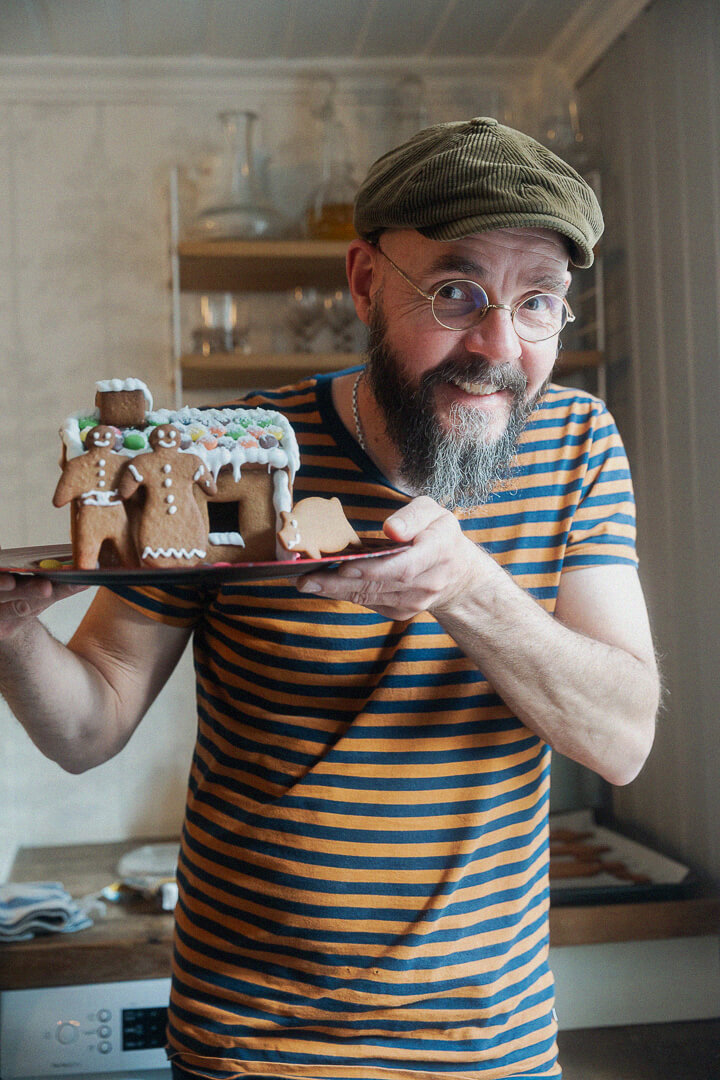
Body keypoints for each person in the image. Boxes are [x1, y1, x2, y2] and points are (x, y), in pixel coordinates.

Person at [0, 117, 659, 1080]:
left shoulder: (579, 441)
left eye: (539, 304)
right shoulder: (235, 451)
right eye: (456, 292)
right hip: (247, 1045)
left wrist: (470, 588)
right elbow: (87, 723)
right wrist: (16, 638)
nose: (497, 344)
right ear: (363, 281)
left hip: (489, 1049)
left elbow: (622, 737)